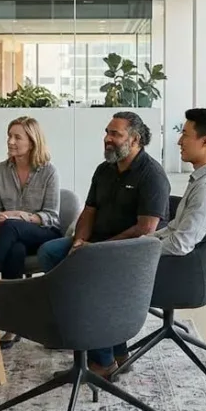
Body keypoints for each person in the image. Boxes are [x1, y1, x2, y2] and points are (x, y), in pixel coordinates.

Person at [37, 111, 170, 376]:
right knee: (49, 253)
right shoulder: (104, 170)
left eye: (115, 134)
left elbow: (146, 228)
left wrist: (99, 249)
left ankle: (103, 361)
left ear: (135, 140)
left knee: (87, 286)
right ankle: (115, 351)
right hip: (94, 245)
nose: (107, 139)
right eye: (107, 133)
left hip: (128, 253)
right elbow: (89, 211)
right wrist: (79, 241)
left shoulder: (152, 174)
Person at [0, 116, 62, 348]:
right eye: (10, 136)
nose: (11, 141)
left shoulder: (48, 172)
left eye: (17, 137)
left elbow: (52, 217)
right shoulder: (0, 171)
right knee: (14, 249)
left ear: (32, 141)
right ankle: (13, 324)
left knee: (12, 225)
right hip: (10, 236)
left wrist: (19, 216)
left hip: (43, 234)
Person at [155, 108, 206, 255]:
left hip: (176, 269)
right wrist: (142, 241)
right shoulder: (203, 179)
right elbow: (173, 229)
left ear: (205, 141)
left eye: (185, 135)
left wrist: (137, 251)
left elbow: (179, 245)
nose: (180, 142)